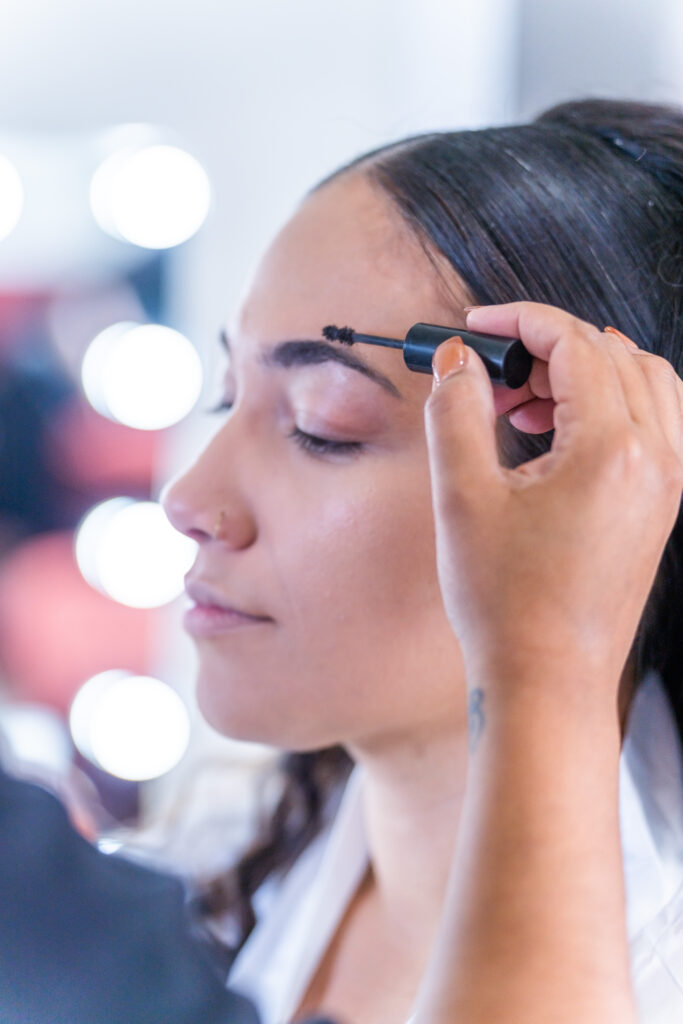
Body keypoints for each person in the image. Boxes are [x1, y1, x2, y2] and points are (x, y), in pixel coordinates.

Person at [161, 97, 683, 1023]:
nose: (190, 502)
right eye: (225, 396)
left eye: (321, 427)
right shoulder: (214, 861)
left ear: (601, 511)